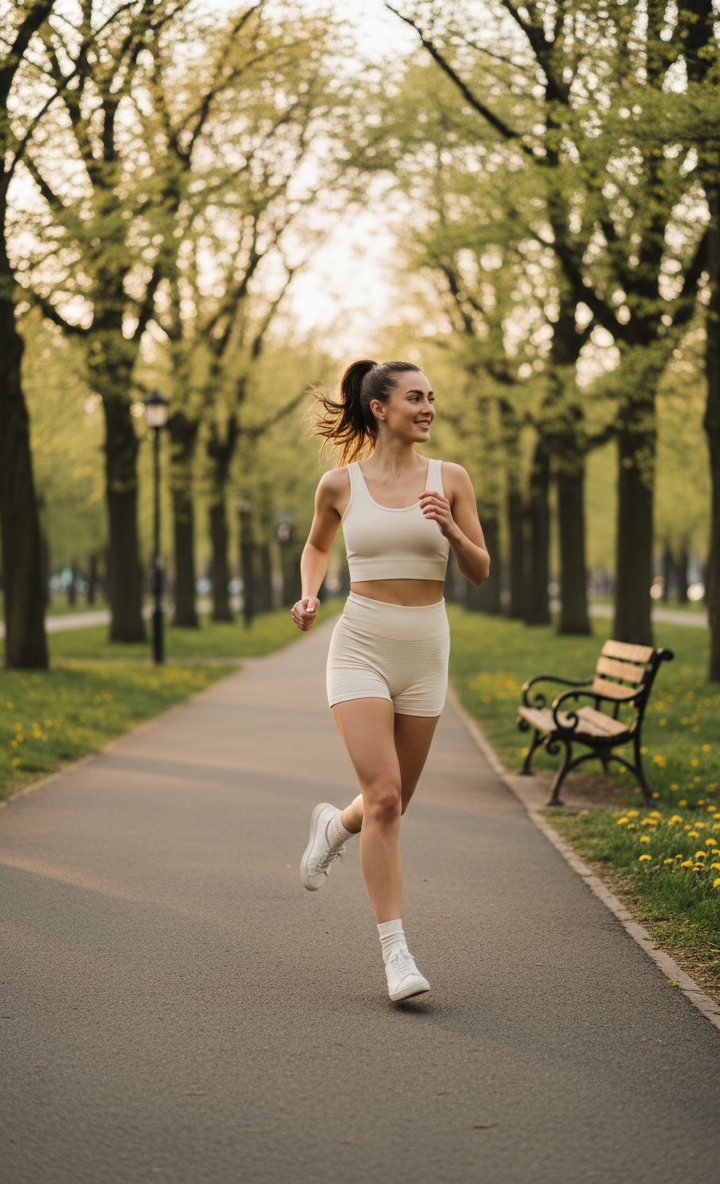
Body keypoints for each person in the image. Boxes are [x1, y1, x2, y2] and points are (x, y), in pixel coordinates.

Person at [291, 359, 490, 1002]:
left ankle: (333, 827)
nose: (428, 407)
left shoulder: (451, 479)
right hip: (361, 644)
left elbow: (481, 569)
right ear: (380, 408)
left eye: (432, 397)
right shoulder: (340, 484)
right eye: (415, 397)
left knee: (391, 802)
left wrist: (452, 527)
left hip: (427, 648)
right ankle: (396, 956)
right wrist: (309, 593)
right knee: (384, 797)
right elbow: (318, 545)